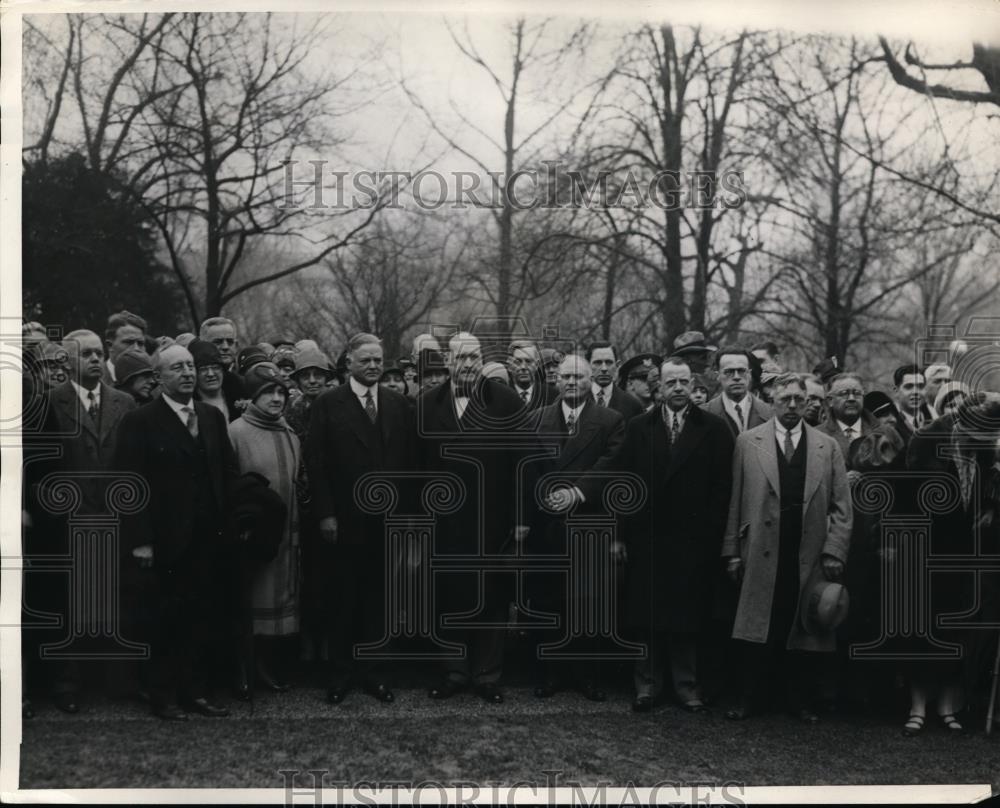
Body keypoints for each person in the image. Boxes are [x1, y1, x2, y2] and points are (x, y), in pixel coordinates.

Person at [115, 343, 237, 721]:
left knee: (202, 615)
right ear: (159, 378)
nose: (188, 373)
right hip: (165, 541)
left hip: (208, 538)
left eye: (190, 367)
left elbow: (227, 473)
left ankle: (196, 692)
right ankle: (163, 695)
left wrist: (229, 526)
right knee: (165, 619)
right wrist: (141, 540)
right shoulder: (141, 421)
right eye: (177, 368)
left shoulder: (211, 417)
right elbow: (128, 484)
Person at [722, 373, 852, 723]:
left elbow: (842, 506)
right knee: (757, 626)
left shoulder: (827, 447)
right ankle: (749, 698)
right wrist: (732, 551)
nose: (793, 406)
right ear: (772, 401)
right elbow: (735, 500)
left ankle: (799, 700)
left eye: (799, 399)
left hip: (807, 552)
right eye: (785, 400)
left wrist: (834, 551)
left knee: (802, 627)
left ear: (809, 401)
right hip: (760, 550)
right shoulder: (748, 442)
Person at [416, 331, 530, 704]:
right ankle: (454, 672)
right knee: (447, 597)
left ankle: (487, 676)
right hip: (444, 525)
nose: (468, 364)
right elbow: (414, 468)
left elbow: (525, 464)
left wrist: (520, 519)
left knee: (492, 599)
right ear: (448, 362)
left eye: (475, 356)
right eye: (461, 358)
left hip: (493, 521)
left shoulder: (506, 400)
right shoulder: (426, 404)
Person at [616, 357, 734, 713]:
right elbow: (624, 485)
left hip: (693, 541)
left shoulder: (713, 429)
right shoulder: (638, 427)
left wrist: (713, 535)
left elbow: (723, 487)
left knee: (687, 617)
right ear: (659, 387)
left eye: (684, 382)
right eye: (671, 383)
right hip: (647, 538)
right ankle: (647, 685)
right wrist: (620, 536)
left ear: (693, 384)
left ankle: (686, 686)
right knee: (648, 615)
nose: (679, 389)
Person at [306, 333, 416, 705]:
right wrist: (326, 514)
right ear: (348, 362)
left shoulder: (399, 404)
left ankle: (375, 674)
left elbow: (409, 463)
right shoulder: (327, 404)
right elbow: (316, 464)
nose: (373, 365)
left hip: (387, 521)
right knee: (343, 599)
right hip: (344, 520)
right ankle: (340, 674)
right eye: (365, 359)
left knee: (379, 600)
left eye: (378, 359)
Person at [35, 329, 137, 713]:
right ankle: (67, 683)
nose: (95, 360)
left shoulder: (124, 403)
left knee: (117, 596)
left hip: (117, 517)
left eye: (99, 353)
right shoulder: (47, 404)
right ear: (68, 362)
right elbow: (39, 468)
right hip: (68, 521)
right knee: (68, 602)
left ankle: (118, 679)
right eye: (86, 354)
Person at [526, 354, 625, 702]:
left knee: (587, 603)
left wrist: (577, 492)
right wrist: (546, 497)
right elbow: (527, 467)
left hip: (589, 522)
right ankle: (552, 673)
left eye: (579, 377)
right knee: (551, 600)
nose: (572, 382)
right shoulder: (537, 418)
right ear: (556, 381)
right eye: (566, 376)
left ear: (591, 382)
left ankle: (586, 675)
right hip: (548, 523)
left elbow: (612, 464)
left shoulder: (611, 420)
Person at [901, 394, 1000, 736]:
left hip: (965, 548)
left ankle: (945, 704)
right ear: (963, 422)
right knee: (922, 626)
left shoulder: (984, 441)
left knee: (956, 625)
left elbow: (989, 478)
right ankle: (916, 705)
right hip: (927, 544)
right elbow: (907, 495)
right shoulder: (926, 439)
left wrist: (988, 507)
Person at [228, 362, 302, 693]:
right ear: (251, 397)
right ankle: (245, 669)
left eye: (280, 392)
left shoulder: (290, 434)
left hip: (287, 532)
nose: (276, 399)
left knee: (281, 597)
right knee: (248, 598)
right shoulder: (236, 432)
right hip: (253, 534)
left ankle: (268, 665)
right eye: (267, 393)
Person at [702, 347, 773, 437]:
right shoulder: (703, 415)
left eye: (741, 371)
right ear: (718, 375)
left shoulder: (769, 413)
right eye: (729, 372)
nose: (736, 377)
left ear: (749, 374)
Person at [818, 372, 881, 460]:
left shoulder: (881, 432)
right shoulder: (817, 435)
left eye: (857, 393)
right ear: (830, 401)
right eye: (844, 393)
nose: (851, 398)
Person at [585, 341, 644, 422]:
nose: (604, 369)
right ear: (587, 365)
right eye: (598, 363)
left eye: (609, 362)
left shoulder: (632, 405)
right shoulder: (576, 401)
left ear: (617, 365)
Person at [199, 317, 245, 416]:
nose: (225, 347)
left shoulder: (242, 384)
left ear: (236, 346)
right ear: (203, 345)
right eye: (218, 342)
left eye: (230, 342)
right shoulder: (195, 382)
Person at [190, 339, 237, 422]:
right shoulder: (189, 405)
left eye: (215, 368)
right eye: (203, 369)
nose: (210, 374)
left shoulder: (238, 394)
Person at [507, 339, 558, 410]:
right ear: (509, 365)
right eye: (518, 362)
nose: (523, 367)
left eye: (528, 361)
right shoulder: (500, 394)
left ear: (536, 365)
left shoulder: (552, 395)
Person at [102, 310, 147, 384]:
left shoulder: (150, 382)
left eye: (140, 343)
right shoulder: (95, 380)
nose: (136, 349)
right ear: (110, 345)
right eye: (129, 342)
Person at [892, 364, 932, 443]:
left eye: (920, 386)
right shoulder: (891, 426)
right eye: (909, 386)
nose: (915, 392)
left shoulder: (933, 423)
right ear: (896, 391)